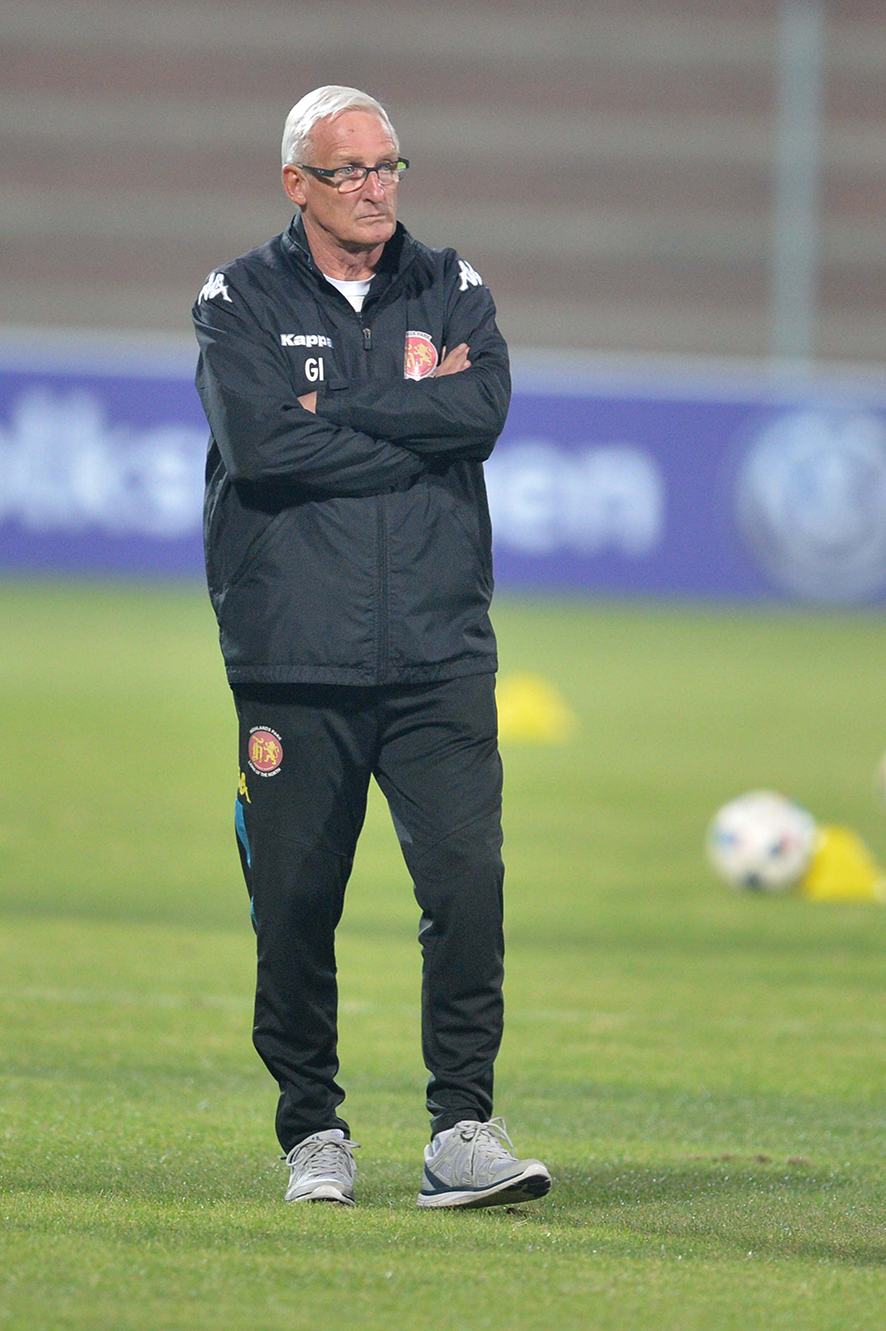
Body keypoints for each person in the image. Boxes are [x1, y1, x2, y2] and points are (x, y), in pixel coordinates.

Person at [192, 84, 551, 1209]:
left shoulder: (451, 283)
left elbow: (481, 413)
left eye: (387, 165)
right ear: (295, 184)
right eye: (348, 170)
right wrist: (408, 411)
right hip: (294, 654)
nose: (374, 187)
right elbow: (260, 448)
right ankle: (314, 1130)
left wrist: (329, 408)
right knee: (297, 902)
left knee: (469, 890)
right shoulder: (239, 296)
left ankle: (463, 1129)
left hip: (441, 650)